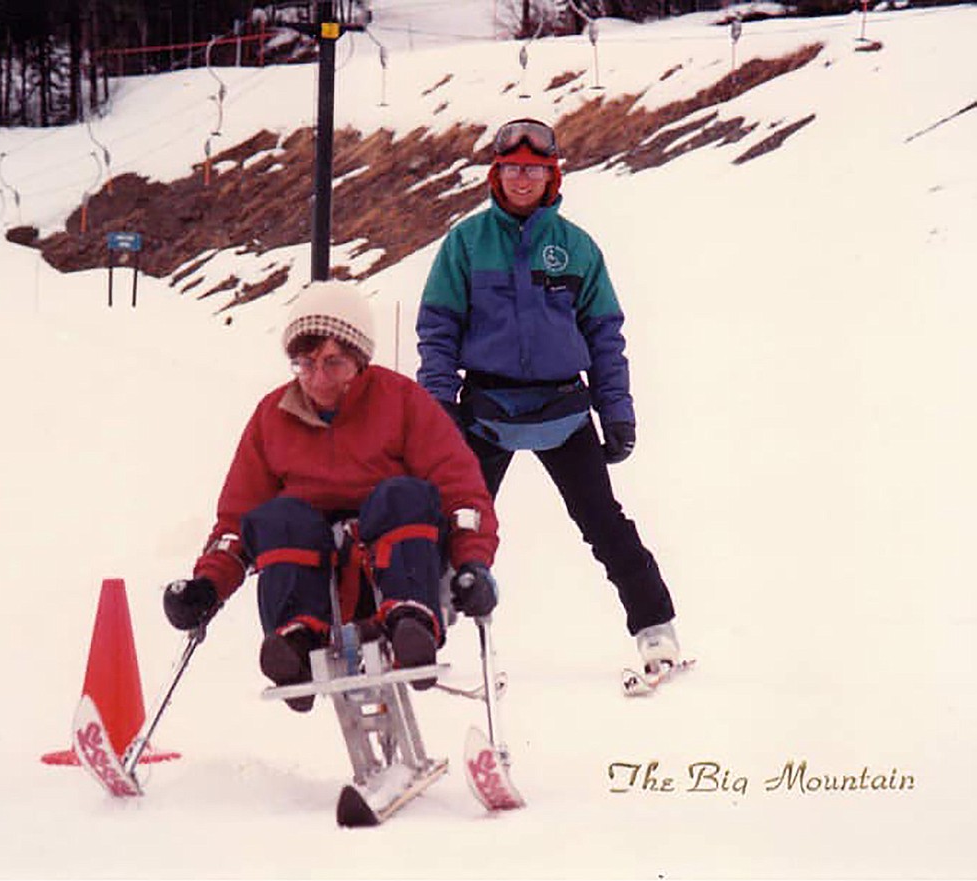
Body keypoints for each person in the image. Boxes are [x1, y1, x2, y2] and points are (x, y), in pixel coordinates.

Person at [415, 118, 680, 674]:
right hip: (485, 413)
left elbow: (605, 336)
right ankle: (419, 628)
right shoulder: (465, 243)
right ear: (496, 173)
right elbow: (437, 333)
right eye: (512, 167)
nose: (522, 178)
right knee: (455, 525)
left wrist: (617, 414)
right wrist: (438, 412)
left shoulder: (577, 248)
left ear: (551, 174)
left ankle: (656, 629)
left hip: (564, 411)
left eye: (534, 169)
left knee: (605, 524)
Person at [163, 280, 501, 711]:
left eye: (333, 363)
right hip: (316, 576)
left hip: (397, 563)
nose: (317, 379)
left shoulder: (400, 402)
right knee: (281, 516)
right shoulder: (273, 418)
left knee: (400, 495)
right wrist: (208, 586)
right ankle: (295, 643)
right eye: (304, 364)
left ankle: (410, 620)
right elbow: (237, 519)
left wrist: (473, 563)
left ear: (359, 361)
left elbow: (461, 491)